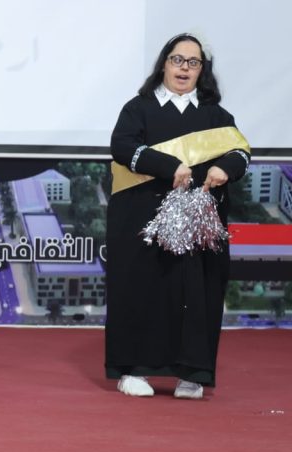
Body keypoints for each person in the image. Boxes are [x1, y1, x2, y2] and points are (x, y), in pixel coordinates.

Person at [106, 33, 251, 399]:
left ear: (202, 70)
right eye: (177, 59)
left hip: (198, 223)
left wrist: (226, 168)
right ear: (164, 64)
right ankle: (133, 370)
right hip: (143, 219)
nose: (184, 68)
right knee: (141, 290)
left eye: (193, 62)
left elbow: (240, 151)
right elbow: (122, 146)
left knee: (198, 293)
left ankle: (192, 374)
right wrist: (169, 165)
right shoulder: (138, 108)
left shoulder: (215, 115)